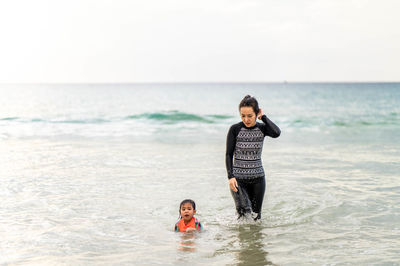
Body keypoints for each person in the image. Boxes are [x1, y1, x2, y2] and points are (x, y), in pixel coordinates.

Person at [226, 95, 280, 220]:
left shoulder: (262, 128)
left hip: (258, 180)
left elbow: (276, 133)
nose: (246, 119)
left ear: (256, 113)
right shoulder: (235, 129)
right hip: (238, 180)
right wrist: (230, 176)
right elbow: (228, 154)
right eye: (243, 116)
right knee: (243, 214)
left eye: (250, 116)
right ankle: (241, 239)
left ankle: (255, 240)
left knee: (256, 217)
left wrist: (264, 118)